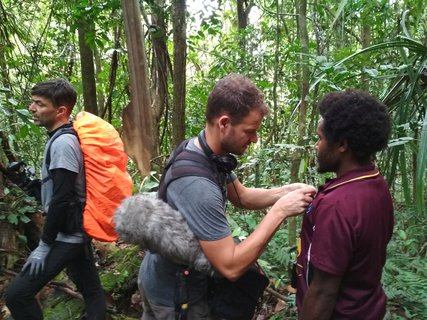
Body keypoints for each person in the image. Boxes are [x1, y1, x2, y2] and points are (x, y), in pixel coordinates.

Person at [138, 73, 317, 319]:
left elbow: (242, 196)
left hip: (162, 276)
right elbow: (230, 266)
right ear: (224, 123)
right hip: (175, 298)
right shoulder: (196, 185)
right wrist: (280, 211)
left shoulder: (205, 153)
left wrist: (286, 192)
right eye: (250, 131)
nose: (254, 139)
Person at [5, 79, 106, 320]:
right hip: (75, 231)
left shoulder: (63, 142)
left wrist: (44, 245)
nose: (31, 108)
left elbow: (62, 198)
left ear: (61, 111)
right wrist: (28, 184)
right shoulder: (61, 138)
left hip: (67, 236)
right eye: (33, 102)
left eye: (39, 104)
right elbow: (57, 192)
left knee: (17, 296)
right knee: (91, 291)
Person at [295, 89, 394, 319]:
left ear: (341, 144)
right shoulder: (375, 183)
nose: (316, 146)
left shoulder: (337, 206)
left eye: (320, 138)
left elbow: (323, 293)